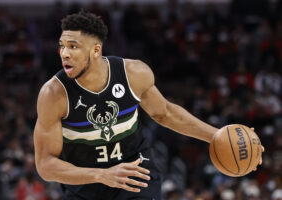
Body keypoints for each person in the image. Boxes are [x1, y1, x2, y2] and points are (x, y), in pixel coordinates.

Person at [33, 10, 263, 200]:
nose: (64, 53)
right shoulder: (53, 94)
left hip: (136, 174)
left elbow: (165, 113)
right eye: (62, 45)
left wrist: (219, 136)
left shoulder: (133, 73)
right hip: (84, 186)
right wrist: (101, 175)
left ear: (95, 50)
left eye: (73, 46)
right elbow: (45, 165)